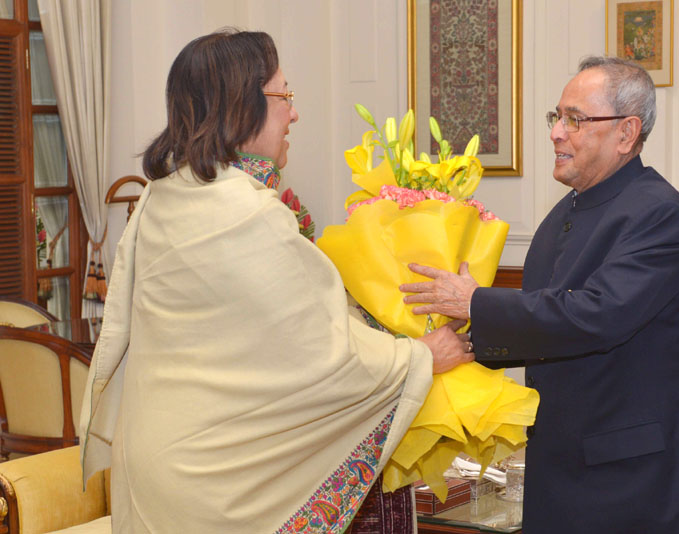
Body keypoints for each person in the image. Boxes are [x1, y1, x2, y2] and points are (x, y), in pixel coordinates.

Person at [78, 29, 474, 533]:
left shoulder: (163, 198)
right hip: (220, 484)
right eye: (284, 95)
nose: (294, 113)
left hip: (159, 464)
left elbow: (249, 352)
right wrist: (421, 356)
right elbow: (327, 359)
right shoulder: (246, 213)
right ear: (241, 104)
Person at [400, 56, 679, 533]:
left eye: (575, 119)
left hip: (639, 483)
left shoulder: (660, 214)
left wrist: (475, 303)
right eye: (557, 117)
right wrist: (459, 342)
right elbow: (548, 331)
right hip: (564, 470)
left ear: (625, 133)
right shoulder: (561, 217)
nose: (556, 132)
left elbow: (596, 316)